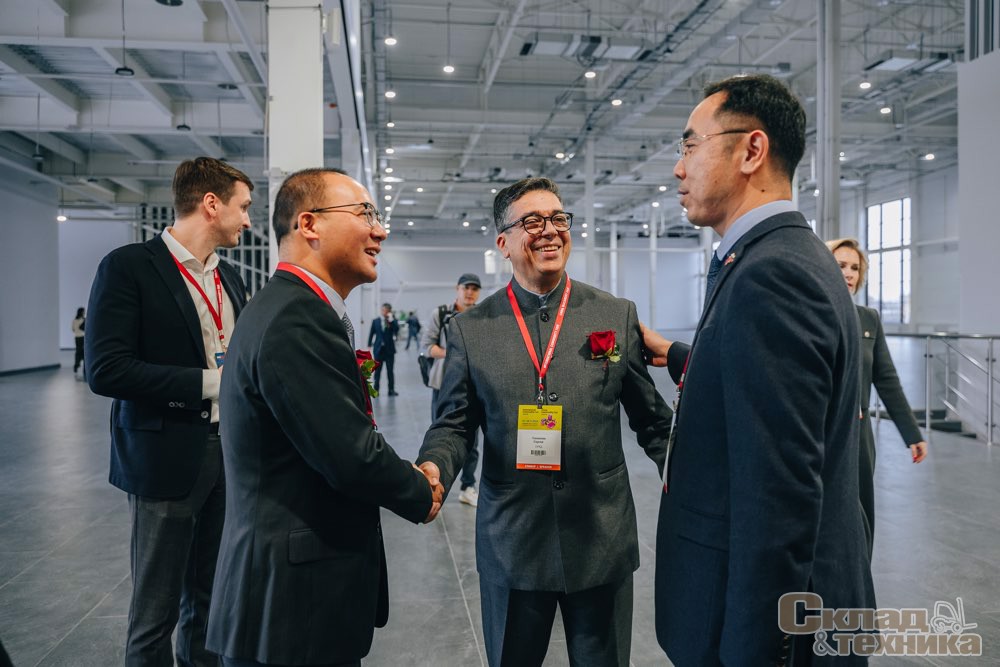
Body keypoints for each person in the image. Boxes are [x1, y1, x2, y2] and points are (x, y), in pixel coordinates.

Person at [642, 75, 875, 664]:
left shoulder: (772, 276)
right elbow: (760, 389)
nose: (678, 168)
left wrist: (758, 653)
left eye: (690, 145)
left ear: (751, 150)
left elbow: (777, 502)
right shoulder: (783, 257)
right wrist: (676, 354)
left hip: (767, 634)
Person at [418, 177, 673, 666]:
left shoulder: (614, 315)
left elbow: (653, 421)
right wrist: (434, 467)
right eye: (532, 222)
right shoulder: (471, 331)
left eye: (558, 218)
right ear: (504, 243)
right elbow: (454, 424)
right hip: (513, 541)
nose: (550, 230)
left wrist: (688, 478)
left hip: (601, 537)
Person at [205, 168, 442, 667]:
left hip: (290, 597)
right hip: (291, 607)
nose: (380, 230)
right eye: (365, 214)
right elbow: (349, 454)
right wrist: (420, 491)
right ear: (309, 224)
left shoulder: (294, 306)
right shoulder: (296, 317)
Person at [86, 156, 253, 666]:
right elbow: (107, 370)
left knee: (209, 604)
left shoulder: (231, 278)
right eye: (244, 207)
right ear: (211, 204)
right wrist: (212, 384)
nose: (248, 220)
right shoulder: (129, 267)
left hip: (228, 457)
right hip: (163, 459)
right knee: (154, 616)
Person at [827, 237, 929, 557]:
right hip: (821, 432)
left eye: (855, 267)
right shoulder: (809, 315)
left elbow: (886, 379)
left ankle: (859, 582)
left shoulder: (868, 319)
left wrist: (912, 433)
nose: (849, 273)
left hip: (859, 436)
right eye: (840, 265)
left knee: (861, 516)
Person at [420, 273, 483, 506]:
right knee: (440, 434)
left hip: (474, 385)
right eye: (466, 288)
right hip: (443, 385)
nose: (470, 292)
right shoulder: (441, 314)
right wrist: (456, 355)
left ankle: (468, 486)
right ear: (457, 289)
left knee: (472, 441)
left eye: (475, 289)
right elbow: (427, 347)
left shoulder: (482, 315)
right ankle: (434, 485)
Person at [367, 302, 399, 396]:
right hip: (378, 350)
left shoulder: (392, 321)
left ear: (389, 311)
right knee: (377, 372)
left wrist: (391, 320)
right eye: (383, 310)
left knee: (390, 371)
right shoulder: (375, 321)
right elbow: (371, 333)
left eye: (386, 310)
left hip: (389, 350)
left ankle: (391, 390)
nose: (384, 312)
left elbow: (396, 330)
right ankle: (376, 390)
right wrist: (369, 345)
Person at [71, 307, 85, 376]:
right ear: (82, 312)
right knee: (83, 352)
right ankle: (84, 366)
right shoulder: (83, 320)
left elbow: (73, 329)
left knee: (78, 351)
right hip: (82, 337)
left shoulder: (74, 320)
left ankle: (76, 365)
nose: (84, 313)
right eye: (83, 312)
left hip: (77, 337)